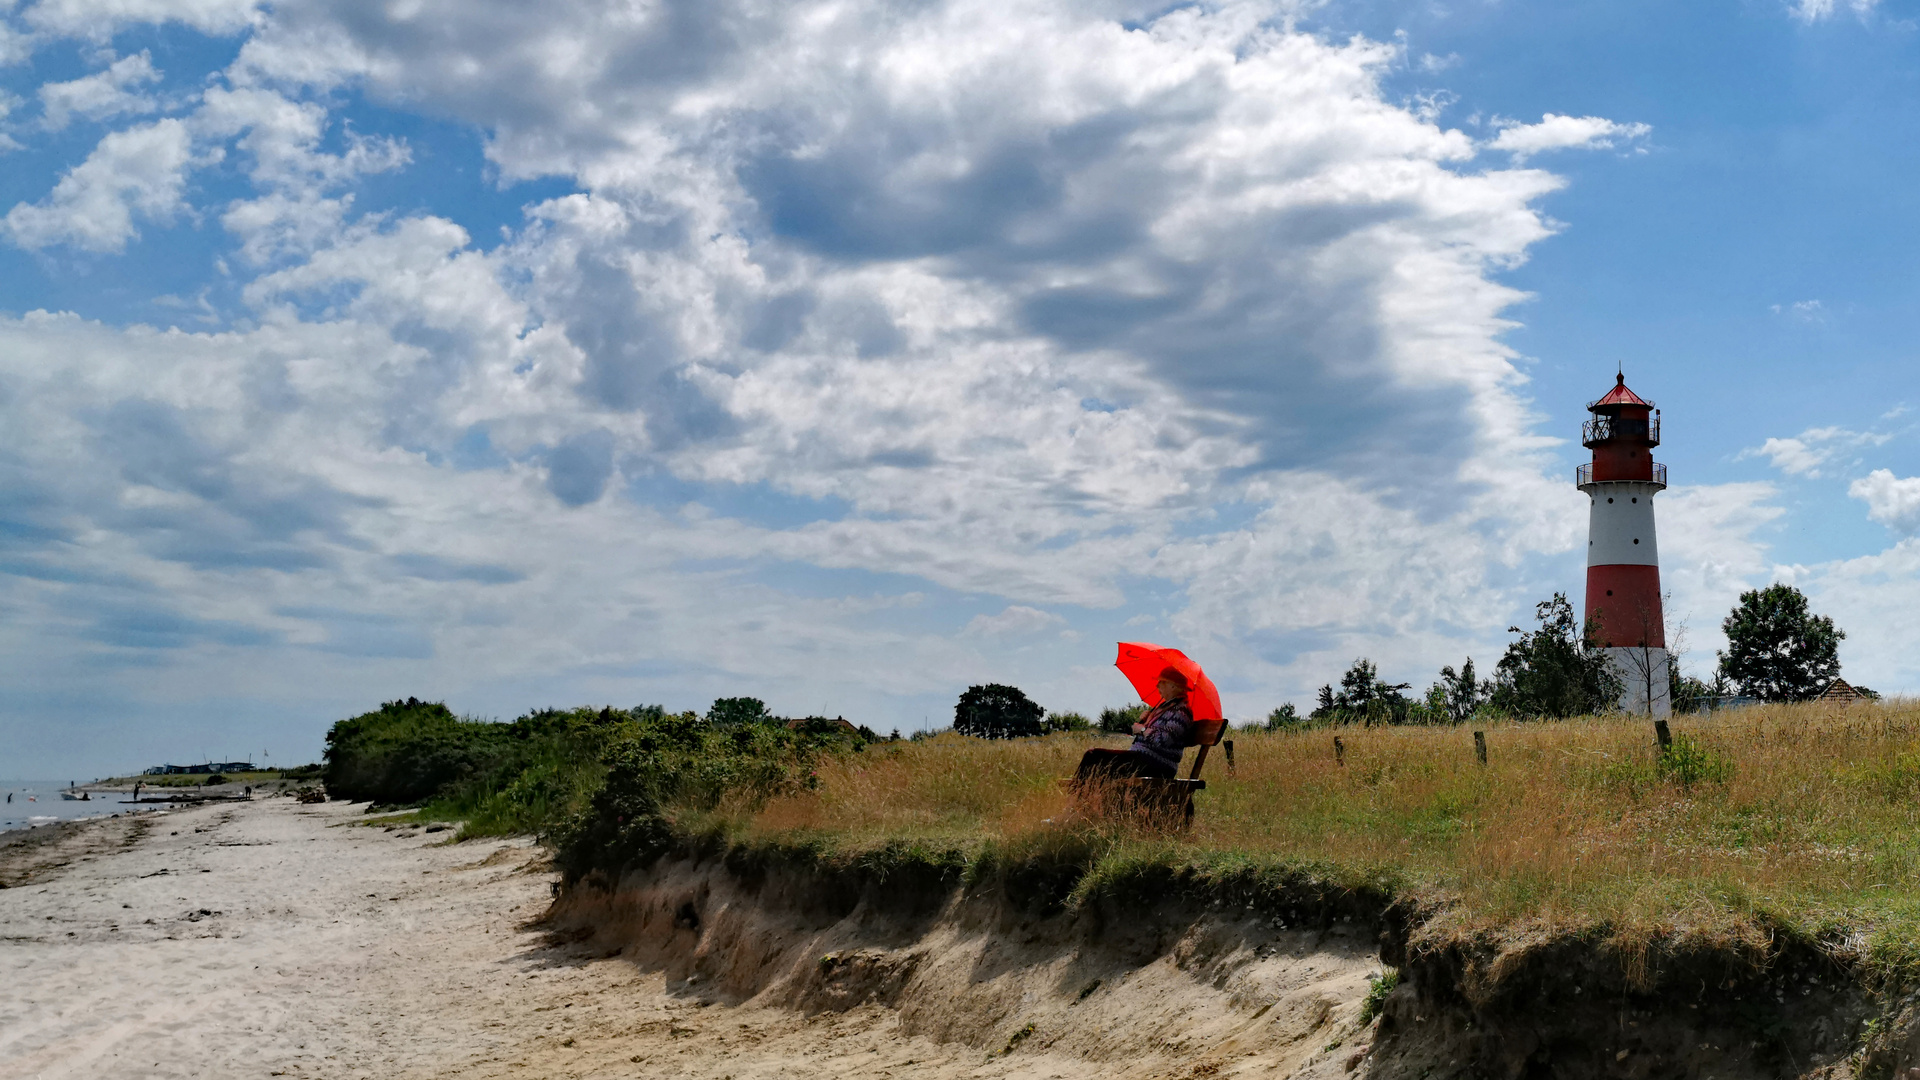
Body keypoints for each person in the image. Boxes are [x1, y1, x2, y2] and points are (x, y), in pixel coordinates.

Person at [1075, 668, 1196, 783]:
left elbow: (1164, 740)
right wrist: (1147, 720)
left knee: (1094, 757)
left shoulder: (1181, 712)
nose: (1157, 685)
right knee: (1094, 760)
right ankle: (1085, 798)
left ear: (1173, 685)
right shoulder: (1165, 708)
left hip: (1157, 764)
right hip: (1144, 759)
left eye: (1161, 682)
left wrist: (1142, 729)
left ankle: (1077, 799)